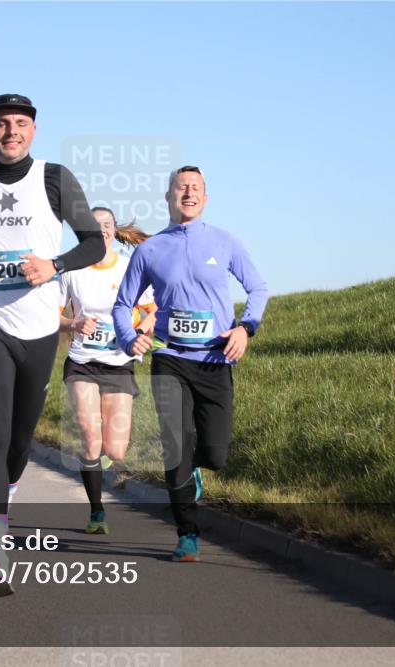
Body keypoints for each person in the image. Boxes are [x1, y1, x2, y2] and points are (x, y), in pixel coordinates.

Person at [0, 94, 105, 599]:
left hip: (39, 327)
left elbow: (94, 243)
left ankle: (4, 494)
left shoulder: (54, 178)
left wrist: (54, 266)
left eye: (21, 124)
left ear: (34, 130)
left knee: (20, 441)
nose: (11, 131)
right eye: (3, 123)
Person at [113, 166, 268, 563]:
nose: (188, 192)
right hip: (170, 357)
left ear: (206, 197)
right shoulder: (151, 250)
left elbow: (258, 288)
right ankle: (187, 533)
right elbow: (122, 304)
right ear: (168, 196)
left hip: (215, 358)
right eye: (181, 187)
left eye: (196, 187)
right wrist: (131, 339)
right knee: (176, 445)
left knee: (215, 454)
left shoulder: (225, 242)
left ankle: (196, 468)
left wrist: (245, 329)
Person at [59, 207, 155, 535]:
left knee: (115, 449)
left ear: (114, 232)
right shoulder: (71, 270)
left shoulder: (130, 268)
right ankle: (96, 511)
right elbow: (51, 316)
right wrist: (74, 322)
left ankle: (103, 460)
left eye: (107, 226)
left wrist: (141, 332)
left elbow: (151, 309)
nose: (101, 231)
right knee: (90, 438)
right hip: (82, 361)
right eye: (94, 226)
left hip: (118, 362)